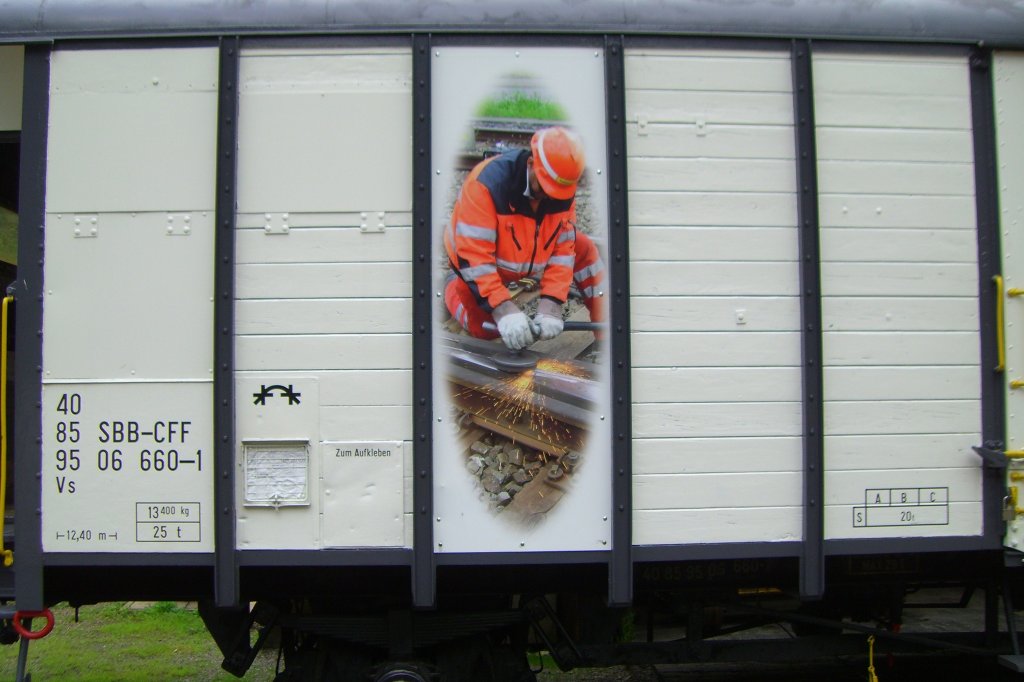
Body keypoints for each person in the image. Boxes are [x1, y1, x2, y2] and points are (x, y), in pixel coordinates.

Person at [443, 126, 606, 350]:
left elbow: (563, 249)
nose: (550, 197)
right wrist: (503, 310)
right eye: (545, 188)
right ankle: (451, 287)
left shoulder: (559, 191)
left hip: (527, 254)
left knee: (585, 249)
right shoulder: (486, 186)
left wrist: (552, 303)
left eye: (557, 193)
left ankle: (608, 332)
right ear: (531, 164)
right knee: (484, 329)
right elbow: (475, 259)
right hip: (478, 264)